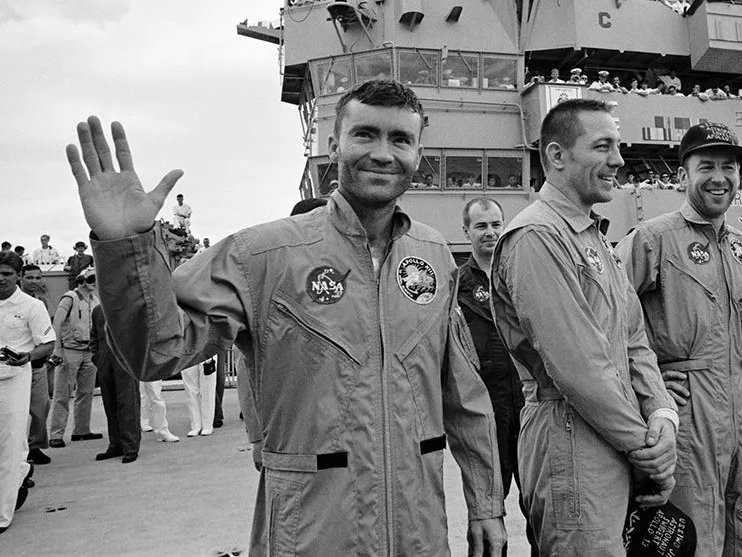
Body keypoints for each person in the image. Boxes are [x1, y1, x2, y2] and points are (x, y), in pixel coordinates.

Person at [65, 80, 505, 555]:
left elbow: (464, 395)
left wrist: (486, 504)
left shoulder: (433, 255)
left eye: (400, 139)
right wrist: (125, 249)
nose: (383, 153)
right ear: (334, 144)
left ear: (419, 153)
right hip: (310, 533)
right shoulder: (264, 255)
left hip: (418, 531)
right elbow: (157, 352)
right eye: (365, 135)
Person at [490, 98, 678, 555]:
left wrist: (663, 416)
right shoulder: (537, 237)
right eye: (602, 146)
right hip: (571, 440)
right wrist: (646, 450)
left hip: (613, 434)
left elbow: (634, 342)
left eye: (617, 146)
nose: (618, 160)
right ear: (556, 156)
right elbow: (579, 367)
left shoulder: (593, 238)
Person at [616, 123, 742, 556]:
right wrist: (646, 393)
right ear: (681, 176)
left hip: (740, 423)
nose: (718, 177)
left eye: (728, 167)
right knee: (686, 538)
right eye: (705, 165)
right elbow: (604, 325)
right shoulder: (650, 241)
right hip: (684, 421)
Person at [457, 198, 536, 554]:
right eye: (481, 226)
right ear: (466, 231)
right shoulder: (455, 285)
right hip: (483, 414)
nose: (490, 232)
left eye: (495, 224)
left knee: (540, 506)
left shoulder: (522, 275)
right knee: (486, 514)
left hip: (529, 408)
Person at [0, 251, 54, 535]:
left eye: (7, 274)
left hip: (14, 377)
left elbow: (48, 344)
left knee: (9, 444)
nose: (0, 279)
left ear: (18, 276)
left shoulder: (31, 306)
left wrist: (28, 356)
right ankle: (22, 471)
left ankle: (2, 514)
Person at [47, 267, 102, 448]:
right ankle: (56, 434)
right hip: (70, 350)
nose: (94, 281)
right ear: (81, 281)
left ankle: (81, 430)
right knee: (62, 394)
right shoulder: (70, 297)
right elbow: (57, 322)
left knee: (86, 393)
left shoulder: (95, 300)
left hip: (89, 351)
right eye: (90, 278)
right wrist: (57, 348)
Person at [91, 304, 141, 463]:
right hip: (105, 360)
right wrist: (97, 357)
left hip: (125, 360)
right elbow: (94, 336)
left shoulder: (129, 307)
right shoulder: (98, 310)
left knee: (127, 403)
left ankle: (131, 445)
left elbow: (140, 335)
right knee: (109, 403)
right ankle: (116, 443)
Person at [18, 265, 52, 465]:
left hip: (37, 363)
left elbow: (47, 331)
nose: (33, 281)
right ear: (20, 277)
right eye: (29, 277)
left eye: (38, 277)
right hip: (16, 363)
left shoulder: (41, 303)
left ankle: (35, 446)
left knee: (41, 407)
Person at [182, 355, 217, 437]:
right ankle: (195, 425)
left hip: (207, 349)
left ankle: (207, 425)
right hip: (187, 350)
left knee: (207, 388)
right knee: (190, 389)